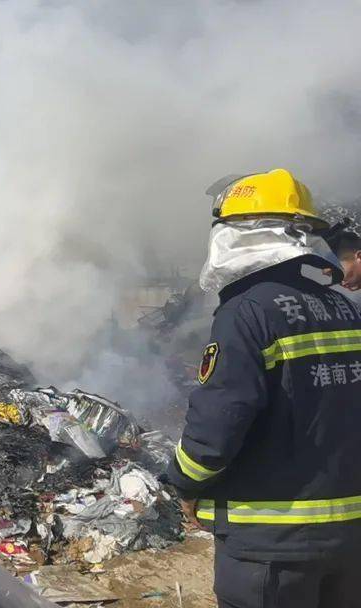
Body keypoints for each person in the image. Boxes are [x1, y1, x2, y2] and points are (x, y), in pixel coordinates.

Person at [168, 168, 361, 608]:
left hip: (271, 545)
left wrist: (184, 482)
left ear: (237, 234)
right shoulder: (343, 307)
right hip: (350, 540)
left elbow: (218, 425)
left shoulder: (247, 311)